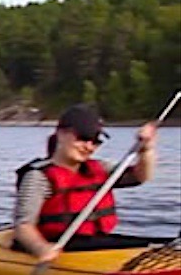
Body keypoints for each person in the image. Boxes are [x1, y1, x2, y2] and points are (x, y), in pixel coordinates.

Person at [13, 103, 163, 262]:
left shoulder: (100, 168)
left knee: (157, 245)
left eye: (95, 141)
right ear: (61, 134)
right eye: (83, 138)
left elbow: (139, 176)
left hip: (94, 243)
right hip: (57, 245)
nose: (89, 147)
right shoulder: (38, 177)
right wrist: (41, 248)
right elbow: (24, 226)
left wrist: (146, 150)